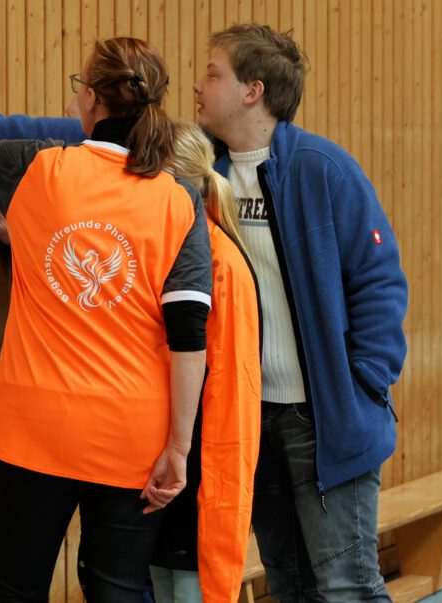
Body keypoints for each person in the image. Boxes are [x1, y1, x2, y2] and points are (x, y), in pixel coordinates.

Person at [0, 37, 213, 603]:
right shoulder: (178, 199)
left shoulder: (38, 166)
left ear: (90, 98)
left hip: (37, 429)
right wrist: (178, 447)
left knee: (15, 592)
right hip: (133, 434)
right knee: (119, 592)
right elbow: (189, 336)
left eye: (80, 87)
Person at [196, 23, 408, 602]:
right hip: (250, 416)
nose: (198, 85)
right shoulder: (202, 172)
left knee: (347, 586)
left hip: (324, 418)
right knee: (289, 583)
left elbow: (380, 280)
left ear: (252, 91)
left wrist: (363, 380)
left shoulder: (323, 169)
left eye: (212, 74)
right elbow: (93, 138)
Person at [147, 122, 261, 603]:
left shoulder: (218, 262)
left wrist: (181, 450)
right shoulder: (176, 246)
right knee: (161, 580)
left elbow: (224, 383)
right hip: (168, 452)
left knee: (187, 585)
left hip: (197, 459)